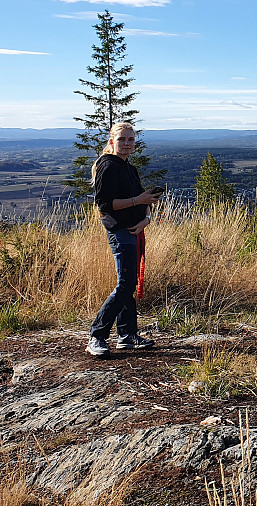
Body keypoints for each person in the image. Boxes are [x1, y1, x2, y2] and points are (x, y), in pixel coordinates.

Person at [85, 122, 161, 357]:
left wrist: (146, 219)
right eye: (122, 140)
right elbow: (106, 205)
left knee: (129, 283)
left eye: (131, 140)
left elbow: (142, 198)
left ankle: (127, 335)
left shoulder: (129, 167)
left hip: (135, 230)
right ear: (111, 142)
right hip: (120, 232)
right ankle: (97, 335)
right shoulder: (108, 166)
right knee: (126, 283)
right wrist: (139, 202)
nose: (127, 144)